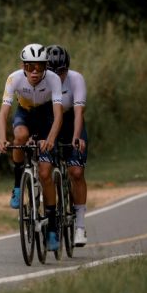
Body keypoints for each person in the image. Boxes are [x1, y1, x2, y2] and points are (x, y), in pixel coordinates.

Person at [0, 43, 64, 251]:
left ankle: (52, 226)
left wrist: (50, 138)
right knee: (20, 136)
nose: (34, 71)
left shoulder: (52, 80)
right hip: (24, 113)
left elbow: (59, 114)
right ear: (23, 66)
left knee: (45, 174)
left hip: (46, 117)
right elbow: (3, 113)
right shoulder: (14, 78)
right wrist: (0, 139)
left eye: (39, 67)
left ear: (46, 67)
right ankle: (17, 187)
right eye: (30, 66)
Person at [45, 44, 88, 246]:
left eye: (61, 71)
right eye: (53, 71)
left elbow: (79, 113)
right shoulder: (41, 81)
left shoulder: (76, 79)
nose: (58, 75)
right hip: (50, 121)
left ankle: (79, 226)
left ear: (67, 69)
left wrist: (77, 137)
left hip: (71, 122)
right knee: (45, 167)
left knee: (76, 172)